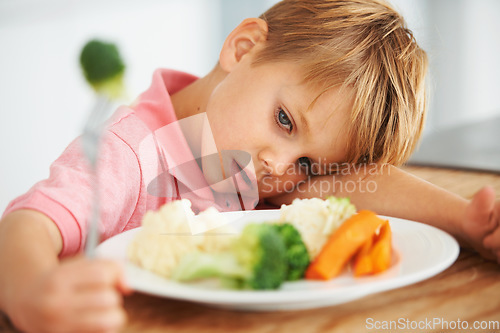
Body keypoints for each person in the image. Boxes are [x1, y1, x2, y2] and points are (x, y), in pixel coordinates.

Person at [1, 0, 499, 332]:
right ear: (243, 49)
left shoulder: (257, 160)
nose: (279, 168)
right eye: (284, 120)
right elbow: (26, 226)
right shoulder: (129, 153)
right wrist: (30, 293)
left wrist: (464, 221)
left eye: (308, 165)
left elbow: (357, 183)